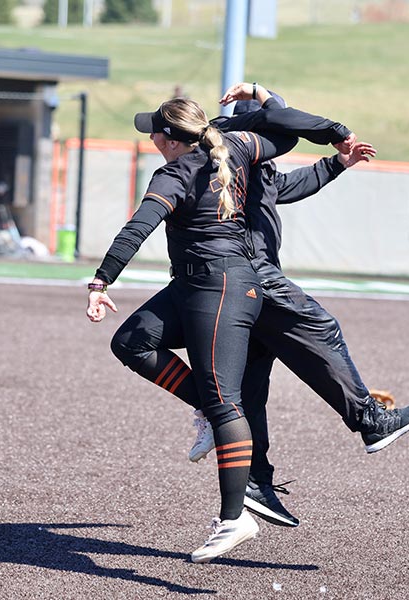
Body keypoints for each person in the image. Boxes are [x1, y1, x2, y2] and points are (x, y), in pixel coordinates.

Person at [109, 83, 409, 530]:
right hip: (251, 273)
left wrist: (336, 163)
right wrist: (270, 99)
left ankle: (256, 479)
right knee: (322, 328)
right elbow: (284, 121)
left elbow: (287, 185)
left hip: (236, 278)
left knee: (252, 385)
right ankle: (369, 419)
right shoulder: (231, 144)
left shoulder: (237, 158)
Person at [86, 97, 301, 563]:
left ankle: (234, 518)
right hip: (194, 285)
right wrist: (268, 102)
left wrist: (101, 281)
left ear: (169, 139)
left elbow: (136, 228)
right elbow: (286, 134)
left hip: (220, 288)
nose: (149, 139)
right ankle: (204, 408)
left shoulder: (174, 173)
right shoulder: (234, 148)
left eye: (153, 132)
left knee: (226, 403)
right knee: (131, 341)